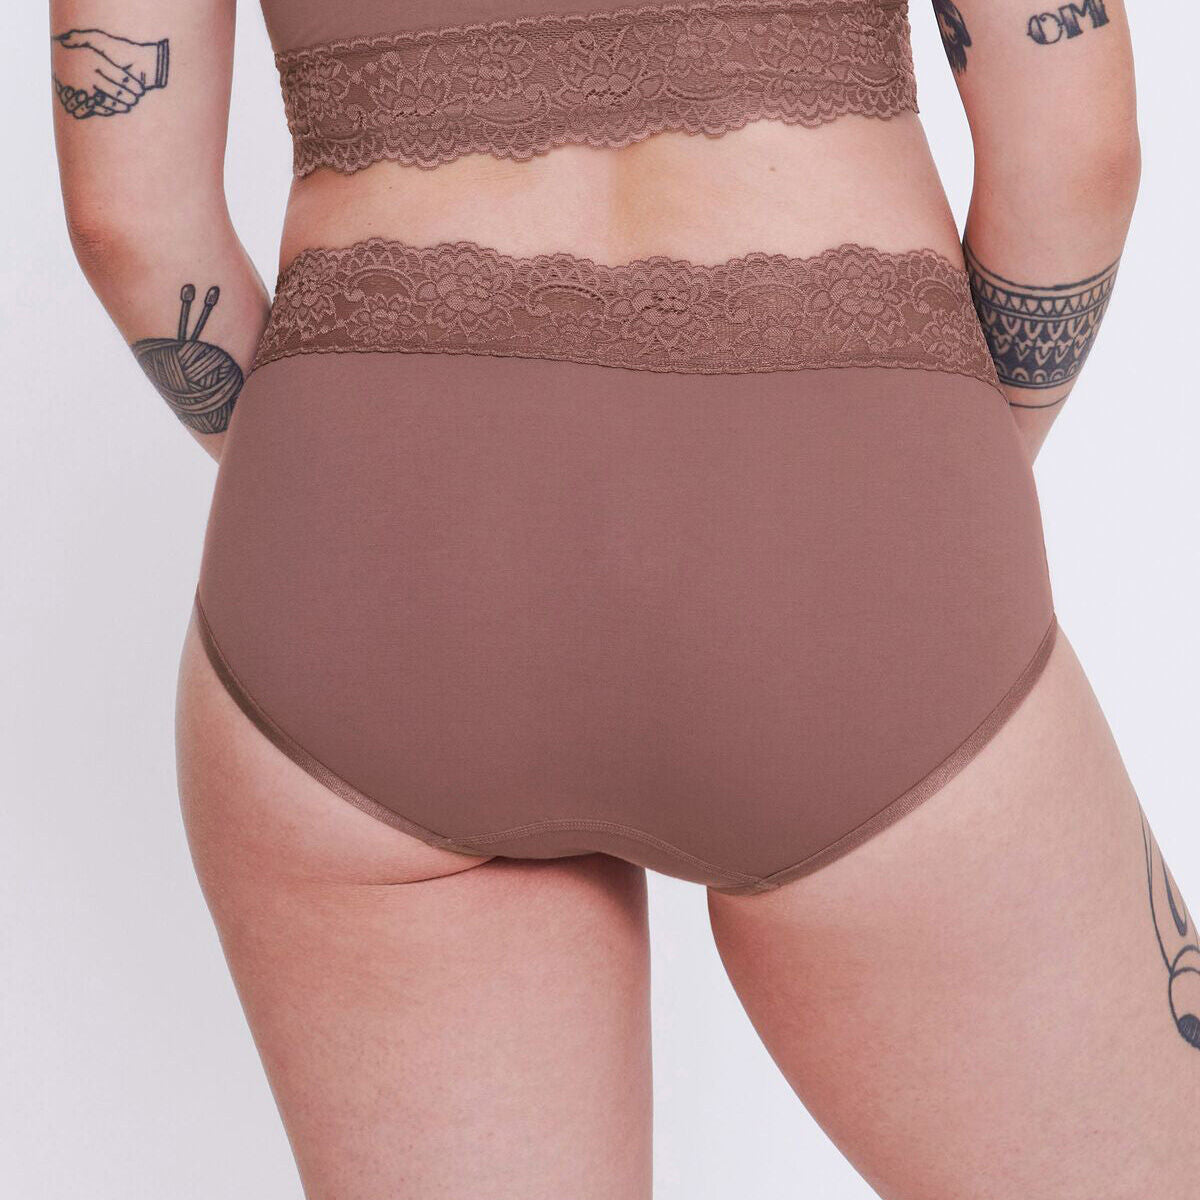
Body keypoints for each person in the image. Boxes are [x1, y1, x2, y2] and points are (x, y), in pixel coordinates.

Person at [52, 0, 1198, 1195]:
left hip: (367, 566)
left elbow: (127, 220)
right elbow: (1077, 151)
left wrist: (360, 491)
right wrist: (933, 482)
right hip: (838, 523)